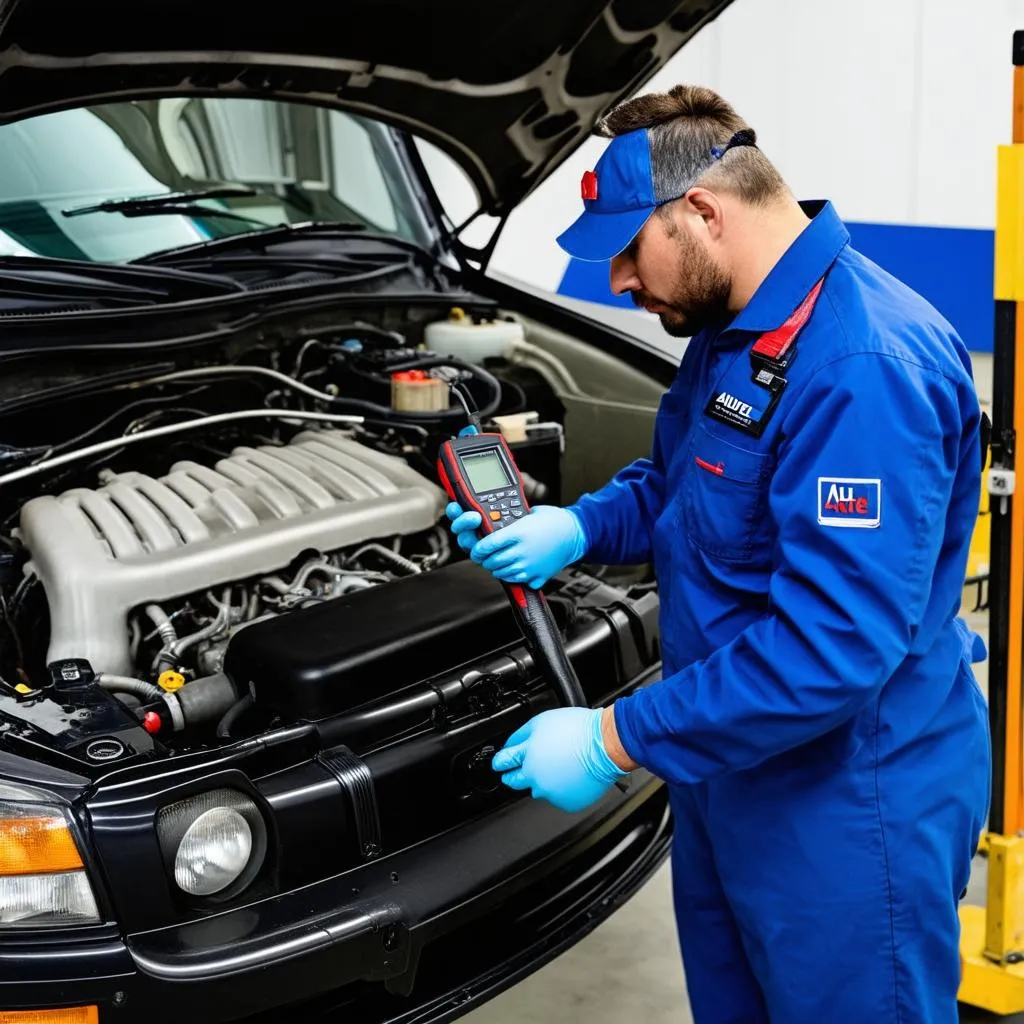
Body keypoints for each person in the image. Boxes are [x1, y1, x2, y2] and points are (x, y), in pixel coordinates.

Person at [445, 84, 991, 1023]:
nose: (617, 282)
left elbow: (832, 649)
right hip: (727, 768)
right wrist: (576, 528)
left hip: (848, 806)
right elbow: (680, 482)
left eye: (626, 251)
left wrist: (616, 736)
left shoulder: (864, 369)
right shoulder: (738, 328)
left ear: (701, 211)